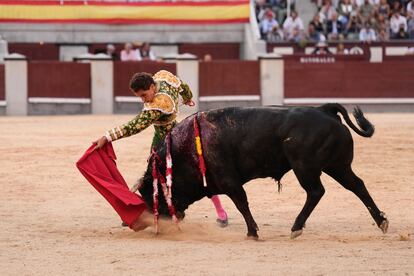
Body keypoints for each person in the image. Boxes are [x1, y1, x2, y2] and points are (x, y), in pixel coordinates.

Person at [94, 70, 229, 228]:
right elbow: (183, 86)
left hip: (171, 142)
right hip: (170, 136)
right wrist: (188, 98)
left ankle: (220, 212)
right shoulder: (163, 77)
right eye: (140, 97)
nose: (143, 100)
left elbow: (136, 125)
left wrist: (108, 136)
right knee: (159, 175)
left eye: (144, 95)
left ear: (152, 87)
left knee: (197, 174)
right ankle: (148, 211)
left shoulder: (159, 103)